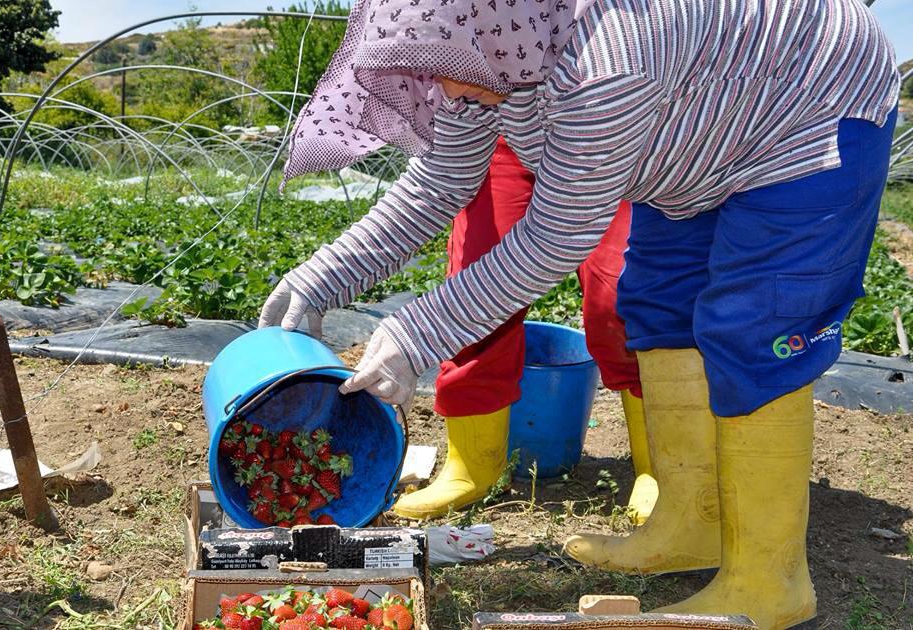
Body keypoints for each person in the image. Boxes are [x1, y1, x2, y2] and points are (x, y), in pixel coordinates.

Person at [259, 1, 899, 627]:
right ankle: (690, 523)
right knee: (658, 302)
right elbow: (437, 185)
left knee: (758, 326)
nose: (443, 83)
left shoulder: (604, 62)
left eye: (449, 63)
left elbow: (557, 236)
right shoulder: (489, 43)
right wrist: (320, 279)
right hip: (697, 132)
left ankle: (770, 581)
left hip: (811, 110)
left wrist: (415, 331)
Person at [388, 135, 654, 523]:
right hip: (502, 121)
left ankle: (659, 466)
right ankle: (475, 468)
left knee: (622, 292)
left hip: (614, 124)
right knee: (478, 283)